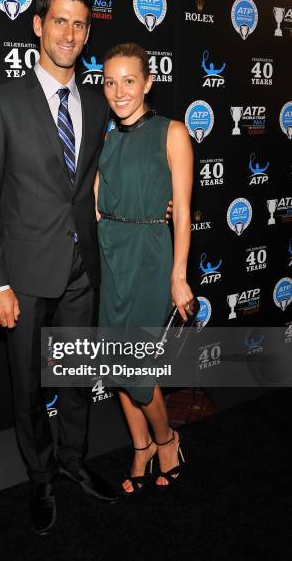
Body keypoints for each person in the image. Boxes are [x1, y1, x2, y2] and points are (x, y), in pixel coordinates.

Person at [0, 0, 118, 536]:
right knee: (30, 385)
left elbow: (97, 183)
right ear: (38, 26)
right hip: (25, 277)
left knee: (78, 377)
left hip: (84, 269)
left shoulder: (95, 102)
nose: (71, 33)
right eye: (60, 20)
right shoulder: (3, 102)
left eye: (80, 24)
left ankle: (75, 461)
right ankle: (40, 478)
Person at [94, 43, 194, 494]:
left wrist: (178, 275)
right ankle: (141, 446)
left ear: (148, 82)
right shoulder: (106, 135)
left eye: (129, 81)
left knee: (138, 369)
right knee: (115, 362)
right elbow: (94, 197)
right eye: (110, 82)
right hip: (111, 251)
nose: (118, 92)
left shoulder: (172, 132)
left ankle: (167, 439)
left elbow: (185, 211)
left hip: (151, 253)